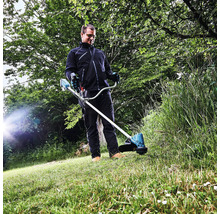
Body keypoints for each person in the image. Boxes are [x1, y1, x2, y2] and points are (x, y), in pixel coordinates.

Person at [65, 24, 125, 162]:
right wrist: (73, 76)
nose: (91, 38)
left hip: (104, 92)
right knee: (91, 126)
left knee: (109, 123)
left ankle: (114, 152)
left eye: (93, 36)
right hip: (87, 93)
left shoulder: (100, 53)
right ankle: (96, 156)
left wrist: (113, 75)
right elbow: (69, 70)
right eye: (89, 36)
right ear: (82, 35)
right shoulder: (74, 53)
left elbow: (107, 71)